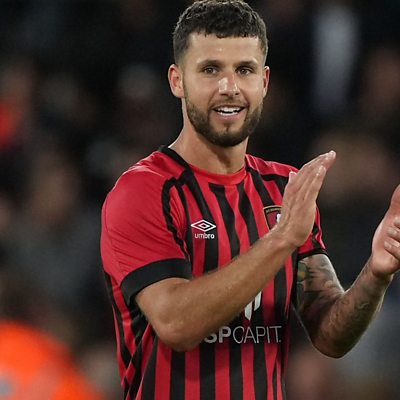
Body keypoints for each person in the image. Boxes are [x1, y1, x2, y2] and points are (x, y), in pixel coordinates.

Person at [100, 1, 400, 399]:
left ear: (265, 81)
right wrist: (281, 239)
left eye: (244, 70)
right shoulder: (143, 191)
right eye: (210, 70)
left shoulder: (283, 190)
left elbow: (330, 334)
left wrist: (376, 273)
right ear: (177, 81)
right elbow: (176, 324)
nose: (230, 87)